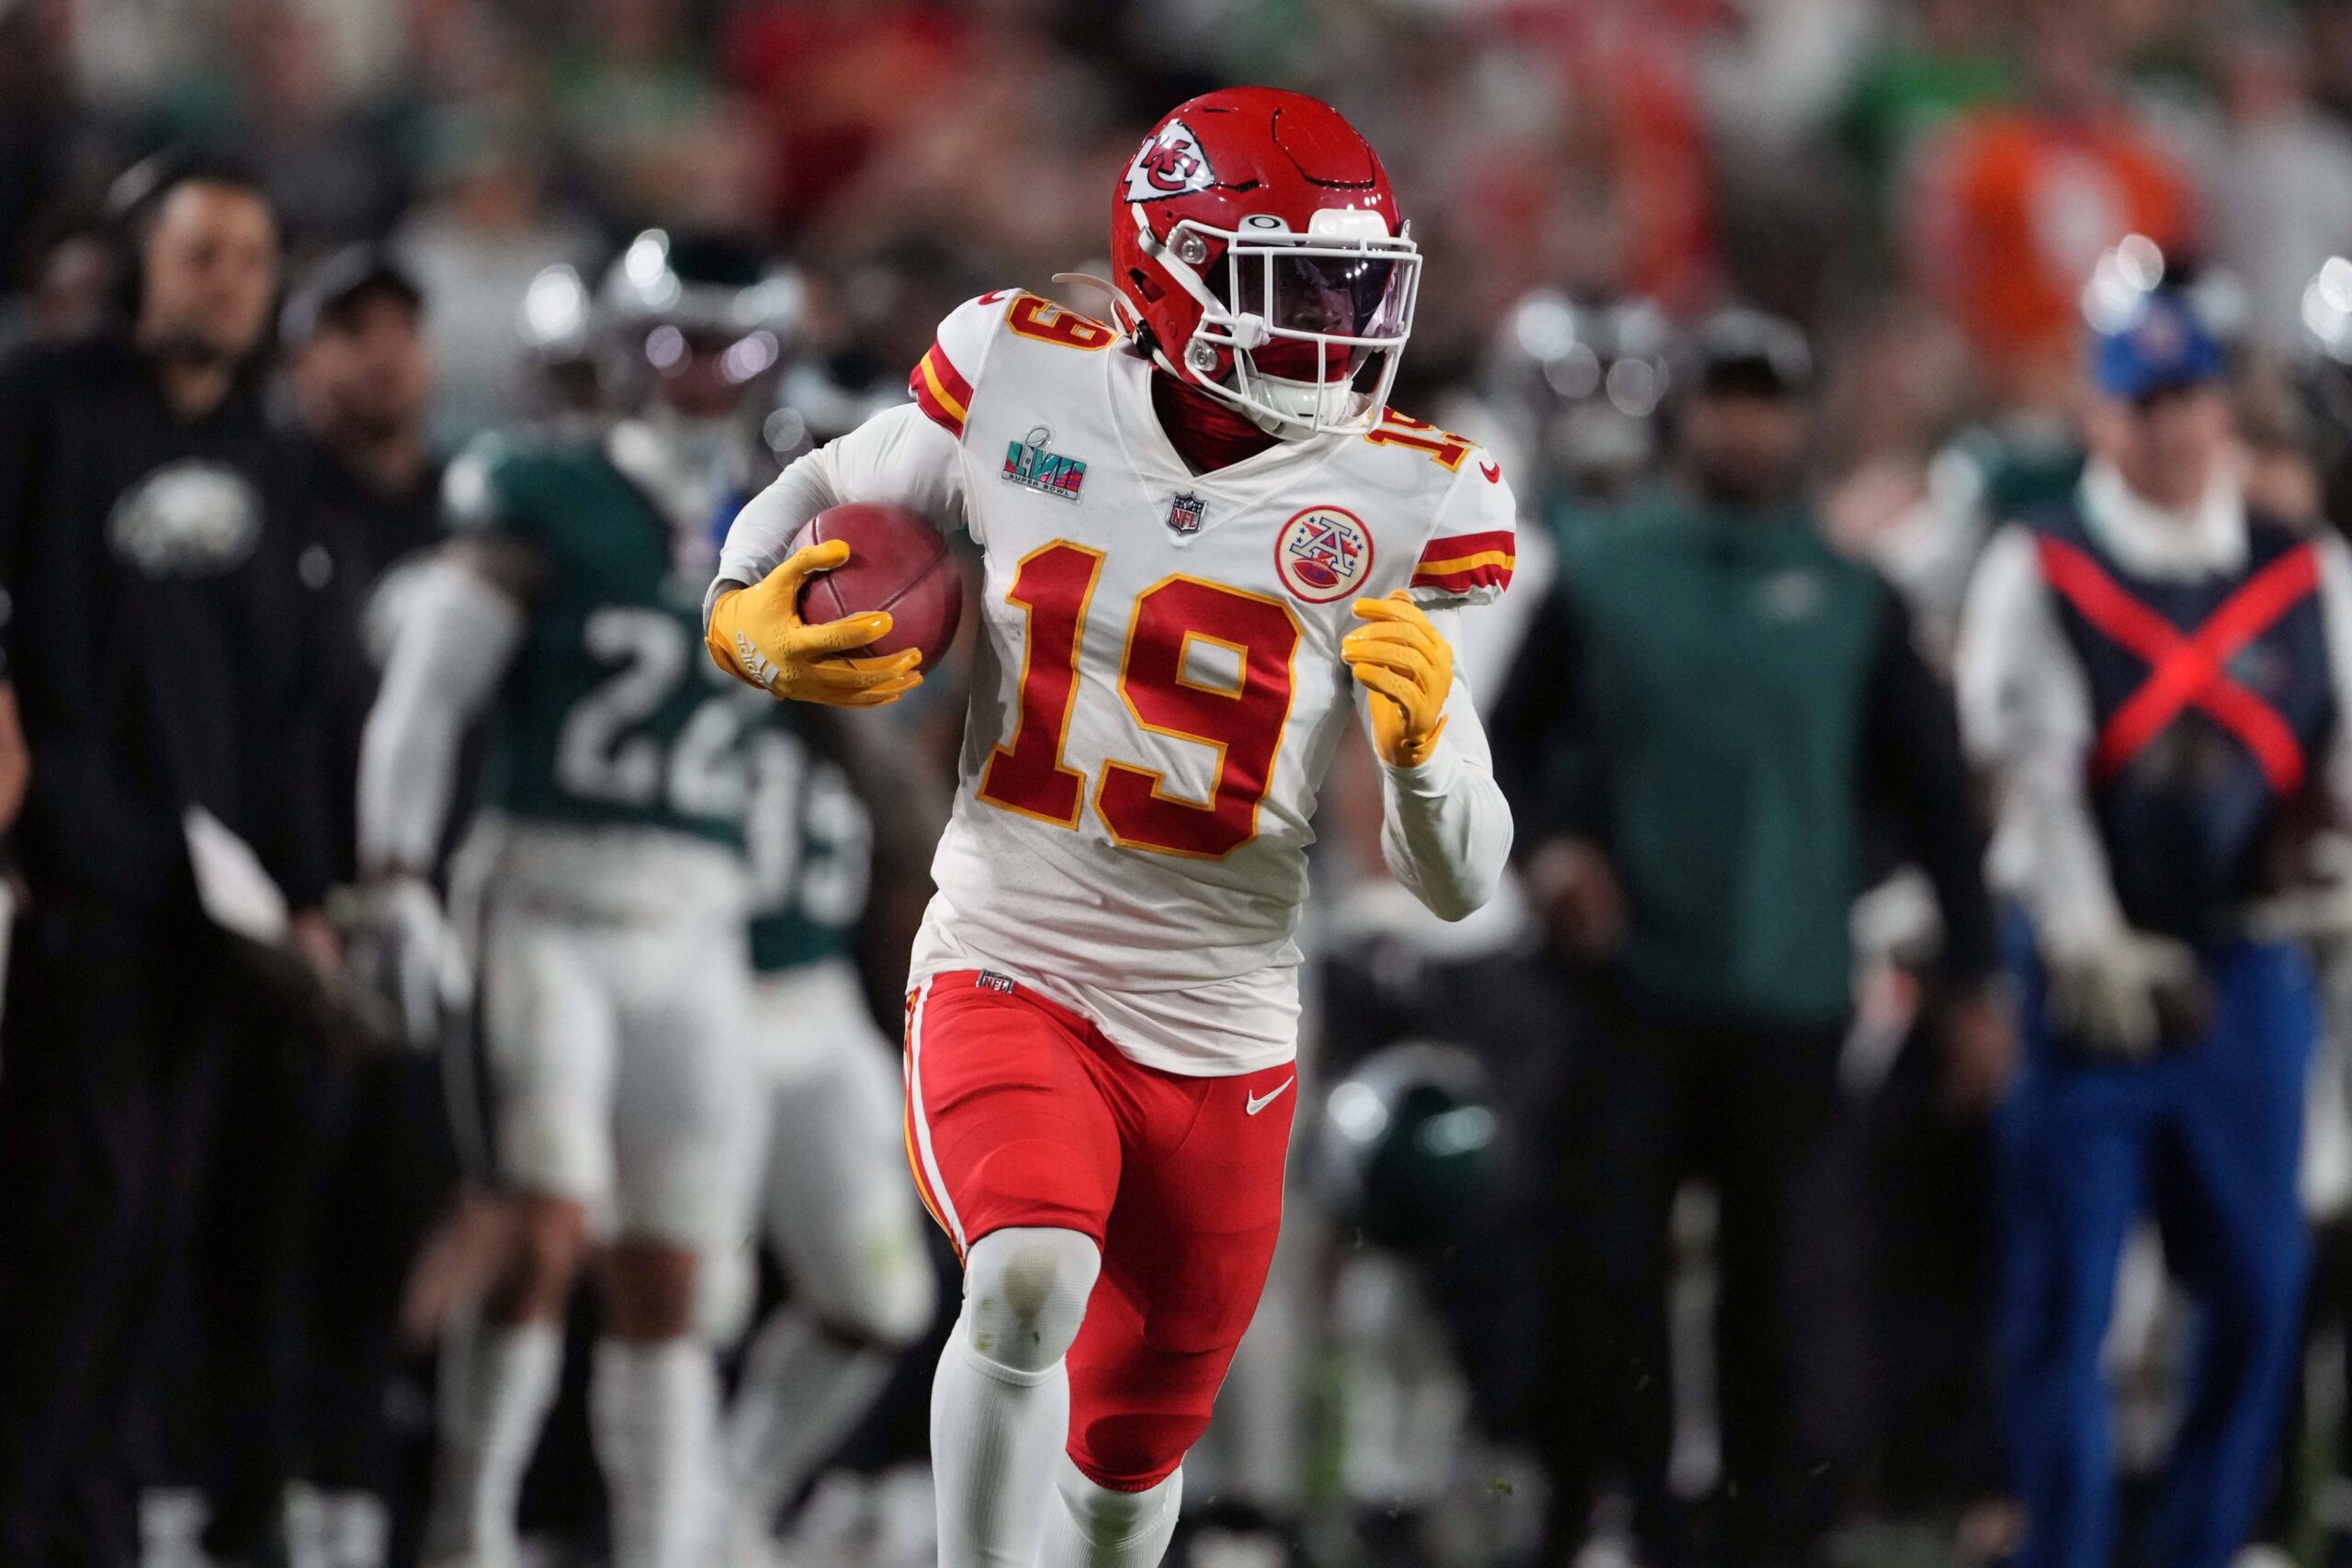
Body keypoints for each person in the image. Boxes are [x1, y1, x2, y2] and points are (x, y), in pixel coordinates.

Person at [705, 86, 1516, 1568]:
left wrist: (1420, 758)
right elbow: (831, 484)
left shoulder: (1413, 496)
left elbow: (1463, 880)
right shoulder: (1022, 376)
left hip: (1226, 1024)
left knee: (1133, 1456)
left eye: (1356, 285)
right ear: (1168, 266)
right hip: (1013, 953)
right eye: (1295, 286)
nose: (1337, 326)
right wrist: (740, 607)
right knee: (1021, 1277)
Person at [1491, 308, 2008, 1564]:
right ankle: (1608, 1508)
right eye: (1725, 395)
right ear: (1686, 410)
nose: (1746, 421)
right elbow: (1502, 747)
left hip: (1789, 980)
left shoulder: (1851, 594)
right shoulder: (1608, 570)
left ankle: (1774, 1529)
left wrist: (1977, 977)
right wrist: (1555, 850)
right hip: (1629, 984)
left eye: (1766, 397)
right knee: (1604, 1261)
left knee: (1787, 1288)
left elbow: (1939, 797)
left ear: (1801, 415)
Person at [355, 230, 797, 1568]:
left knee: (674, 1269)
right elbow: (426, 697)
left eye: (734, 344)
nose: (705, 373)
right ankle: (468, 1527)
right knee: (544, 1223)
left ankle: (662, 1543)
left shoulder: (806, 513)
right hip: (545, 887)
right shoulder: (550, 489)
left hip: (698, 915)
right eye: (677, 339)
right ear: (622, 341)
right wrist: (394, 870)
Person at [1957, 288, 2352, 1568]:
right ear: (2100, 412)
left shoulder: (2309, 572)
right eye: (2143, 402)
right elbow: (2032, 774)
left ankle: (2199, 1538)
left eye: (2189, 399)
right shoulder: (2044, 562)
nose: (2171, 427)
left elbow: (2333, 766)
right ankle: (2063, 1547)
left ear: (2224, 407)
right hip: (2095, 978)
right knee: (2068, 1305)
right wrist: (2080, 934)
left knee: (2259, 1282)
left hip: (2248, 964)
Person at [0, 152, 341, 1568]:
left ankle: (101, 1507)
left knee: (163, 1220)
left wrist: (310, 891)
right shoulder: (41, 404)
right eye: (201, 253)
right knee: (78, 1204)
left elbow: (293, 701)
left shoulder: (274, 458)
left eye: (251, 259)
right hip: (73, 881)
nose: (227, 282)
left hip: (216, 906)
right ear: (140, 264)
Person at [715, 704, 944, 1560]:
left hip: (815, 1006)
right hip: (688, 980)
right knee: (688, 1296)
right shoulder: (694, 645)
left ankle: (739, 1495)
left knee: (881, 1298)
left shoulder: (841, 712)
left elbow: (914, 840)